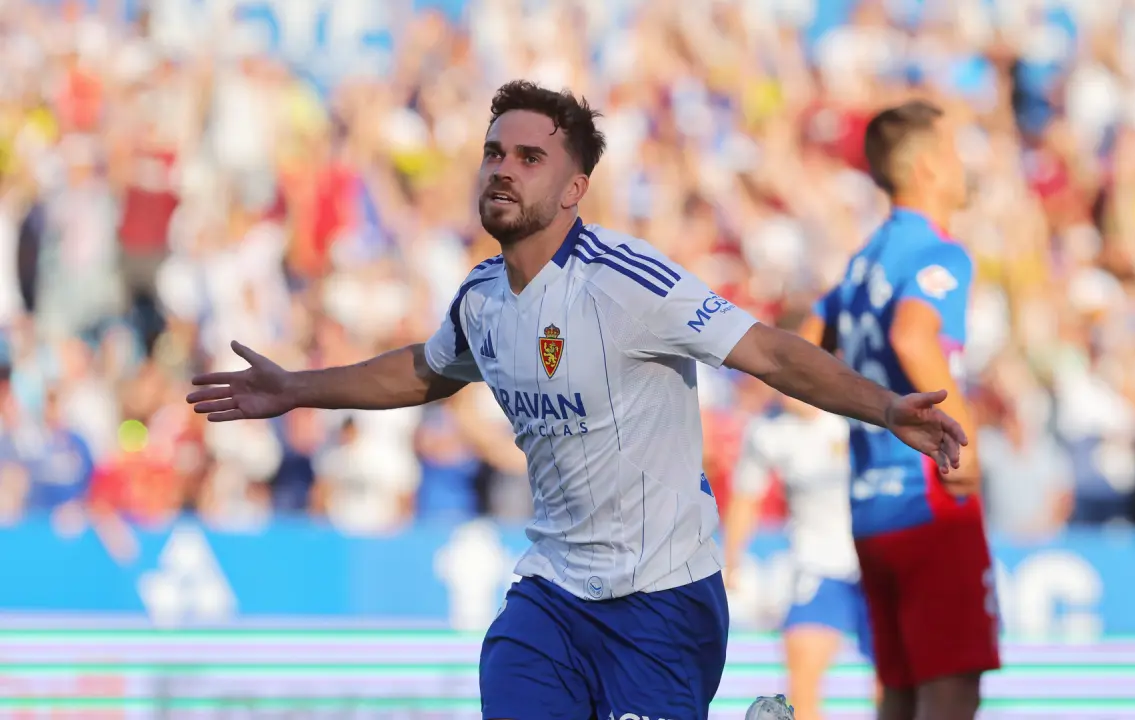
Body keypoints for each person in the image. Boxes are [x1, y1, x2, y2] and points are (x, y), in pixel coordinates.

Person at [186, 81, 968, 720]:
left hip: (662, 601)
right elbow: (426, 371)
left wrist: (886, 407)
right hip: (553, 597)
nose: (503, 169)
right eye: (494, 152)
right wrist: (296, 389)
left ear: (573, 188)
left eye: (529, 157)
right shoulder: (482, 298)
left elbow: (767, 350)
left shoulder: (629, 283)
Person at [811, 99, 999, 720]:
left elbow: (811, 339)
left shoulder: (864, 258)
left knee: (899, 686)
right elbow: (913, 336)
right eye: (954, 151)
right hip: (928, 494)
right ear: (926, 167)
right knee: (951, 686)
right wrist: (964, 446)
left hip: (870, 500)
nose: (963, 164)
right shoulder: (939, 253)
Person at [723, 378, 877, 720]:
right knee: (802, 679)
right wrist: (732, 561)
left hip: (875, 561)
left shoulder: (858, 415)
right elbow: (745, 497)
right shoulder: (767, 432)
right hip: (816, 565)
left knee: (891, 679)